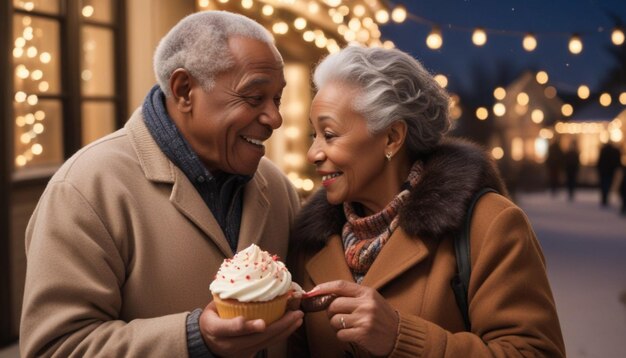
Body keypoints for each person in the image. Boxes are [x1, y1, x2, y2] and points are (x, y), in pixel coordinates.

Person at [20, 11, 303, 357]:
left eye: (277, 99)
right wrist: (193, 339)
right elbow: (54, 348)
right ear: (184, 90)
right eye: (254, 98)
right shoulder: (84, 188)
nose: (275, 118)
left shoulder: (277, 187)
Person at [288, 45, 565, 357]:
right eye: (314, 135)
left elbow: (535, 352)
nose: (313, 153)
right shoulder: (311, 241)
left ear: (392, 138)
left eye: (330, 134)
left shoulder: (489, 225)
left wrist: (400, 337)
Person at [597, 141, 621, 207]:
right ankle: (605, 197)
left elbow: (599, 161)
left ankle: (604, 198)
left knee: (604, 184)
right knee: (607, 184)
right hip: (610, 171)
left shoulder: (604, 150)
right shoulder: (614, 151)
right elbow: (617, 162)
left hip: (604, 171)